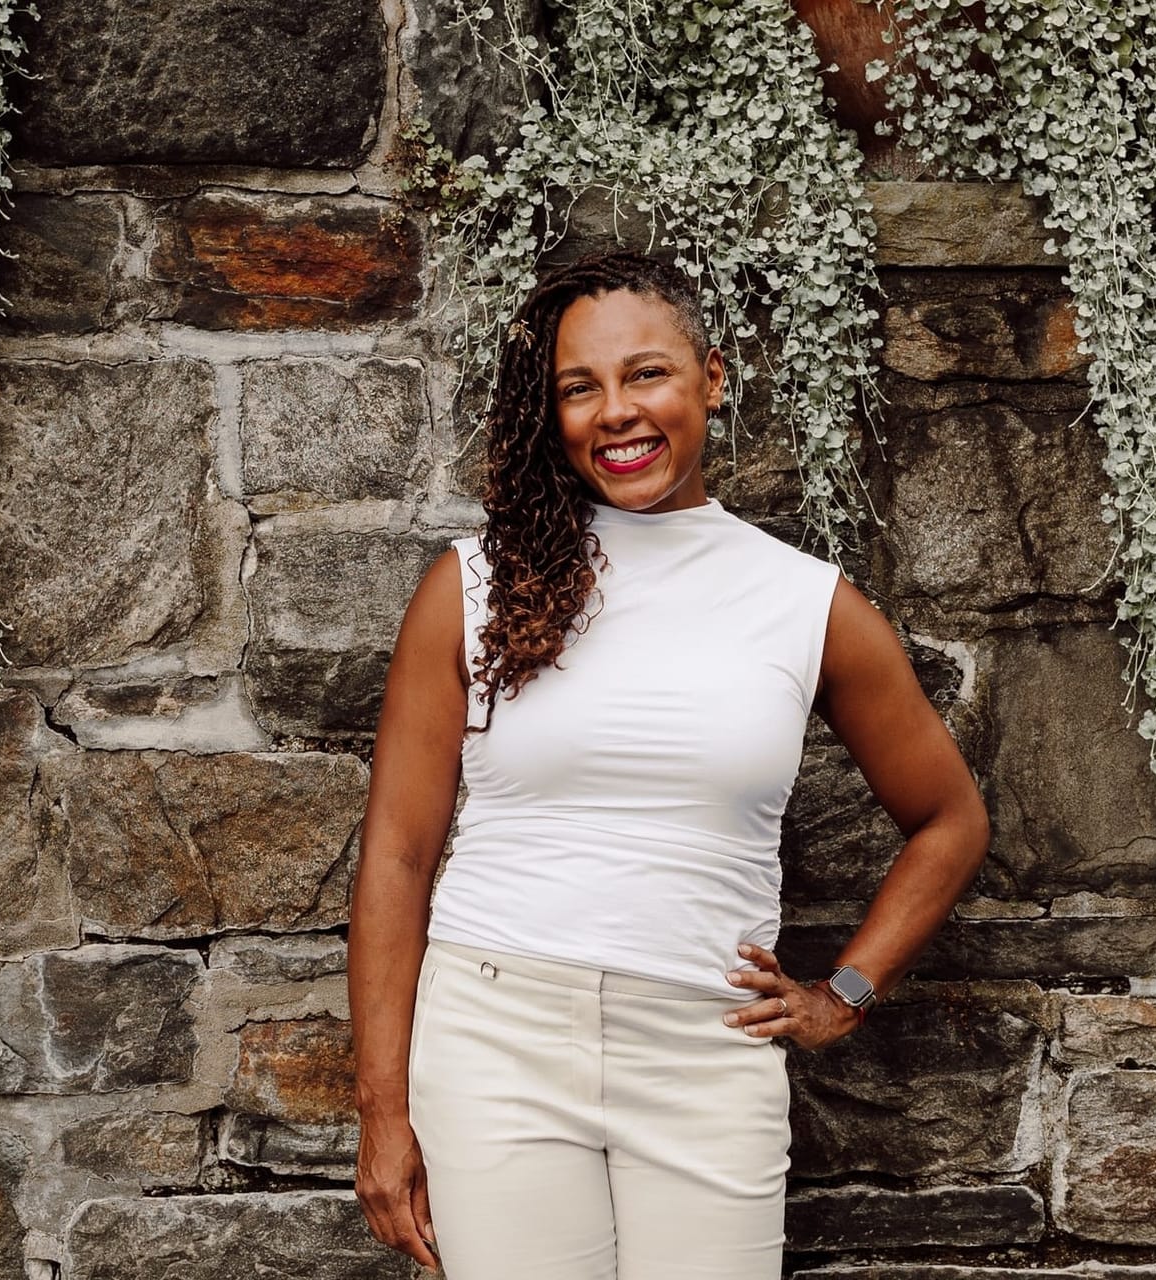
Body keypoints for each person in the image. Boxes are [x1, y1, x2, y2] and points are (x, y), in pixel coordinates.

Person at [349, 249, 990, 1279]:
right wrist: (382, 1109)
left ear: (712, 379)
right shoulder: (472, 586)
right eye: (578, 387)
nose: (615, 411)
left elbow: (951, 818)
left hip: (704, 1048)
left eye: (645, 373)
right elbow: (396, 855)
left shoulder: (804, 601)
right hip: (494, 1032)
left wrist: (847, 990)